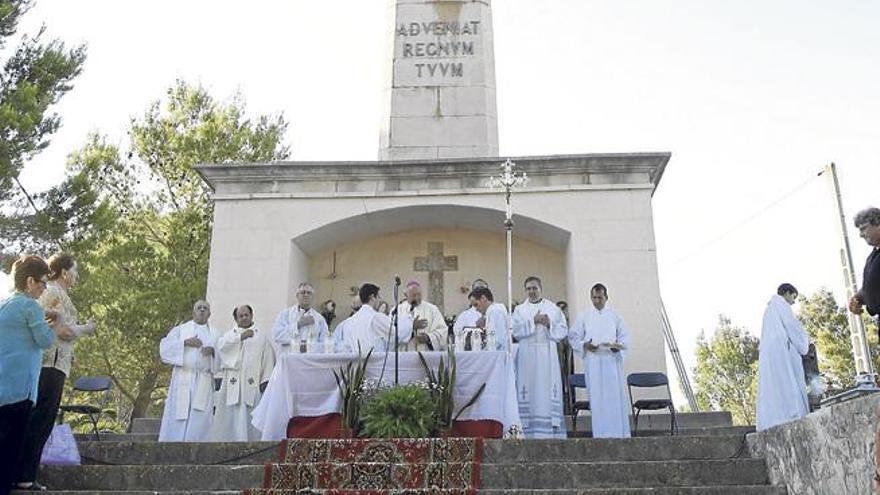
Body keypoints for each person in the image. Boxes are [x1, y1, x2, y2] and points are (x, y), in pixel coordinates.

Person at [15, 253, 97, 490]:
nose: (76, 276)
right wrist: (86, 329)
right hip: (49, 363)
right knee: (39, 418)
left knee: (45, 420)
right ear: (63, 272)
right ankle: (24, 475)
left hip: (59, 364)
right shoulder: (52, 292)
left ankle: (27, 472)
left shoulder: (62, 295)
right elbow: (59, 330)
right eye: (74, 270)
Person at [0, 256, 73, 495]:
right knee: (13, 446)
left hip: (3, 384)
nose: (44, 287)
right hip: (21, 386)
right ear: (30, 281)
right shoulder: (30, 305)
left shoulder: (5, 303)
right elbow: (45, 340)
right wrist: (57, 321)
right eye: (42, 282)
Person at [569, 284, 631, 438]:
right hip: (594, 361)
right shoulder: (584, 315)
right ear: (591, 297)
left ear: (606, 298)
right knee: (597, 399)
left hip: (611, 361)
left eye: (600, 298)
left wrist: (619, 347)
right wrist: (585, 345)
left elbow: (625, 337)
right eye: (594, 297)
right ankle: (601, 435)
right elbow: (573, 336)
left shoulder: (615, 316)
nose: (597, 301)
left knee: (613, 399)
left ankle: (618, 434)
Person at [511, 276, 568, 438]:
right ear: (525, 290)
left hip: (547, 357)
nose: (531, 291)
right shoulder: (519, 310)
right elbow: (515, 331)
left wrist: (549, 324)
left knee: (546, 390)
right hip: (527, 357)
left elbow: (563, 330)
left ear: (540, 288)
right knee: (528, 390)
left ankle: (550, 430)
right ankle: (528, 430)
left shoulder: (552, 308)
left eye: (534, 288)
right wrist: (532, 321)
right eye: (528, 288)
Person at [210, 305, 275, 442]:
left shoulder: (261, 337)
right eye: (241, 316)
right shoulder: (229, 335)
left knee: (250, 414)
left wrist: (265, 380)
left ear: (251, 316)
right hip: (232, 383)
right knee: (231, 415)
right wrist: (240, 337)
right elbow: (221, 349)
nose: (244, 318)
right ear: (236, 318)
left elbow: (268, 359)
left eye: (246, 315)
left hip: (252, 384)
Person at [158, 300, 219, 442]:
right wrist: (185, 343)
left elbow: (224, 356)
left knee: (200, 415)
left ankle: (196, 445)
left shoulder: (216, 334)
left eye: (205, 308)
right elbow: (164, 348)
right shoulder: (180, 330)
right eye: (199, 308)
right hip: (183, 377)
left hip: (204, 379)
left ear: (209, 313)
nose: (202, 310)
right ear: (193, 312)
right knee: (179, 413)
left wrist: (213, 351)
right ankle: (174, 443)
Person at [756, 283, 810, 431]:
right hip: (783, 353)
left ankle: (772, 420)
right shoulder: (782, 306)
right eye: (793, 297)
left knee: (774, 386)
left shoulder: (769, 310)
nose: (793, 302)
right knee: (788, 385)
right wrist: (804, 343)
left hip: (770, 356)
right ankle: (790, 416)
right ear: (787, 293)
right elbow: (792, 328)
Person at [337, 283, 413, 354]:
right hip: (375, 363)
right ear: (372, 297)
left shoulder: (350, 321)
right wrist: (411, 324)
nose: (380, 300)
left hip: (356, 365)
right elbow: (394, 334)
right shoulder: (375, 317)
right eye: (378, 297)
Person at [272, 282, 328, 355]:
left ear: (313, 297)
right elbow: (276, 335)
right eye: (302, 292)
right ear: (297, 296)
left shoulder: (319, 319)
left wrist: (309, 346)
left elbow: (324, 343)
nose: (306, 295)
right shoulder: (285, 314)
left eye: (309, 293)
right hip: (289, 360)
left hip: (310, 361)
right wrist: (298, 324)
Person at [397, 280, 447, 352]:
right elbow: (392, 333)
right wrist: (411, 326)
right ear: (406, 295)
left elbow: (443, 330)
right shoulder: (398, 310)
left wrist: (429, 338)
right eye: (413, 295)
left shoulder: (432, 309)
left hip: (426, 354)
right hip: (404, 354)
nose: (417, 298)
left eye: (419, 294)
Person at [470, 286, 510, 351]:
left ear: (483, 298)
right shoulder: (492, 311)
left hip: (498, 355)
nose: (476, 309)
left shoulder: (495, 311)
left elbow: (498, 340)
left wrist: (483, 352)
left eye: (476, 304)